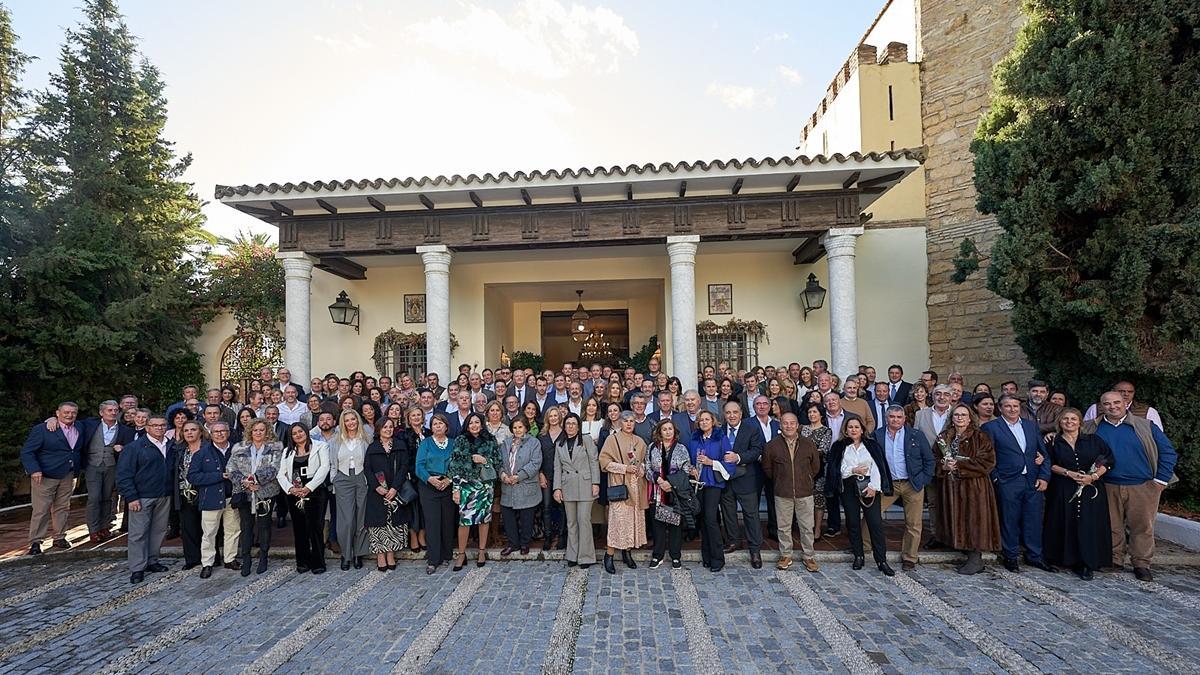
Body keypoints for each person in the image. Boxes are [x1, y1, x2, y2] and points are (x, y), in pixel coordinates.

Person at [1086, 390, 1177, 581]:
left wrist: (1161, 480)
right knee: (1112, 525)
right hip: (1108, 484)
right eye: (1107, 404)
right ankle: (1114, 559)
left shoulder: (1145, 426)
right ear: (1101, 406)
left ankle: (1141, 564)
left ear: (1125, 403)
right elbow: (1069, 435)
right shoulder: (1092, 428)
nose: (1113, 407)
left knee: (1142, 527)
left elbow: (1168, 452)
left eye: (1117, 402)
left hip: (1142, 486)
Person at [982, 395, 1053, 573]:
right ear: (1000, 408)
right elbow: (987, 457)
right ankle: (1011, 555)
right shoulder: (991, 427)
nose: (1013, 409)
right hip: (1008, 481)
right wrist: (996, 478)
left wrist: (1044, 477)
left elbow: (1043, 454)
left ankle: (1034, 555)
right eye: (1008, 406)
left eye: (1015, 406)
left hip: (1032, 479)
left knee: (1033, 520)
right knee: (1009, 519)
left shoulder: (1030, 426)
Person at [1043, 408, 1112, 580]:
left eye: (1073, 419)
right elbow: (1048, 463)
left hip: (1090, 489)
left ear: (1080, 422)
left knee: (1087, 524)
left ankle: (1086, 562)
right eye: (1065, 419)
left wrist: (1092, 477)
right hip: (1063, 487)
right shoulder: (1053, 442)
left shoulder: (1093, 440)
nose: (1069, 422)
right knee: (1064, 521)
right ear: (1059, 422)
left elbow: (1108, 460)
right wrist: (1069, 473)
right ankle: (1064, 558)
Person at [865, 406, 935, 571]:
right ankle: (864, 547)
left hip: (913, 484)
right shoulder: (877, 435)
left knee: (914, 523)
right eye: (892, 417)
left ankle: (909, 557)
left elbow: (929, 460)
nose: (895, 420)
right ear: (886, 417)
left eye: (899, 417)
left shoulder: (916, 435)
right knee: (871, 515)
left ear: (904, 419)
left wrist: (923, 480)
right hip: (888, 484)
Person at [935, 404, 1001, 574]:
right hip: (950, 486)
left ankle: (975, 558)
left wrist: (960, 465)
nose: (960, 418)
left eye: (964, 415)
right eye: (956, 415)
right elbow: (934, 458)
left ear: (970, 417)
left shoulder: (980, 437)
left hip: (974, 487)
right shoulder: (944, 436)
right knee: (957, 518)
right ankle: (963, 550)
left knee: (974, 520)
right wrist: (943, 466)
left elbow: (987, 462)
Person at [826, 417, 894, 576]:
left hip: (869, 486)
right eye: (850, 427)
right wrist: (854, 470)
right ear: (846, 429)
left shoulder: (872, 446)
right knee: (853, 522)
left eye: (857, 427)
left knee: (875, 523)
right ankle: (858, 555)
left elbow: (878, 467)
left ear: (862, 429)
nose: (854, 430)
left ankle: (881, 560)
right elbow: (839, 470)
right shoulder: (839, 447)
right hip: (848, 487)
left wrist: (874, 487)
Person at [20, 401, 84, 554]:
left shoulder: (80, 427)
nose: (70, 415)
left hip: (68, 474)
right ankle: (36, 542)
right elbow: (27, 451)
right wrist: (34, 470)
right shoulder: (42, 429)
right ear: (57, 413)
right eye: (66, 412)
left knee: (63, 507)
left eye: (73, 413)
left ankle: (60, 537)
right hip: (44, 476)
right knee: (41, 510)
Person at [117, 414, 174, 583]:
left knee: (158, 531)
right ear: (147, 428)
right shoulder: (135, 447)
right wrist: (131, 497)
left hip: (164, 495)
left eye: (163, 425)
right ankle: (137, 567)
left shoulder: (170, 445)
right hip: (141, 497)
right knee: (138, 533)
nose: (159, 428)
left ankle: (152, 560)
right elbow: (124, 474)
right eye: (155, 425)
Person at [762, 412, 822, 572]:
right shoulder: (772, 445)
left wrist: (807, 479)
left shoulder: (808, 444)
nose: (789, 426)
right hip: (782, 492)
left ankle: (809, 556)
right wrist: (781, 480)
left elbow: (815, 467)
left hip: (805, 492)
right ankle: (785, 555)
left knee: (807, 526)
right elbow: (768, 469)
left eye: (792, 423)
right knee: (783, 526)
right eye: (785, 423)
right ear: (780, 425)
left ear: (797, 425)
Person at [227, 418, 283, 576]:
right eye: (255, 430)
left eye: (261, 430)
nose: (258, 433)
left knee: (264, 526)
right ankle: (246, 560)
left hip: (265, 492)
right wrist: (245, 482)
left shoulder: (275, 449)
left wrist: (256, 480)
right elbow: (231, 469)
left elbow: (275, 468)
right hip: (244, 493)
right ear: (250, 431)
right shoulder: (239, 448)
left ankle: (263, 557)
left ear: (267, 432)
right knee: (246, 527)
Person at [448, 413, 501, 571]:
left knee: (484, 519)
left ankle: (482, 551)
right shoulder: (461, 440)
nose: (474, 425)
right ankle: (461, 553)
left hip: (485, 485)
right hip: (466, 486)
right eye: (471, 423)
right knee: (464, 521)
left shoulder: (490, 439)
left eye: (477, 422)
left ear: (482, 424)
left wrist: (484, 461)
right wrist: (456, 489)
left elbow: (498, 462)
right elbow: (454, 465)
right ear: (467, 425)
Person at [188, 422, 241, 577]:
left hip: (233, 498)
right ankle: (207, 563)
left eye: (223, 431)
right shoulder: (202, 453)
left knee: (233, 530)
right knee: (209, 533)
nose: (220, 434)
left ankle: (230, 559)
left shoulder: (237, 451)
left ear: (228, 432)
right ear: (210, 434)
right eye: (216, 431)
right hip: (211, 499)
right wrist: (219, 476)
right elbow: (193, 476)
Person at [599, 410, 649, 574]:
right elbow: (604, 462)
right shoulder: (612, 439)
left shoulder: (640, 441)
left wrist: (642, 469)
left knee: (632, 522)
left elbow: (645, 462)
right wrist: (624, 468)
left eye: (632, 421)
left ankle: (627, 553)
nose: (629, 424)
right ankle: (609, 555)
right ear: (620, 422)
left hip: (637, 486)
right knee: (617, 522)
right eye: (626, 420)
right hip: (620, 486)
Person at [277, 422, 330, 574]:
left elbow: (324, 468)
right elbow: (281, 473)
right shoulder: (287, 451)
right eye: (294, 433)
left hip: (315, 492)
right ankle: (302, 561)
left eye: (300, 431)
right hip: (294, 494)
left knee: (315, 528)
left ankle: (318, 562)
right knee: (299, 529)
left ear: (306, 432)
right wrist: (290, 488)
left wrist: (308, 487)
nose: (298, 435)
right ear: (291, 437)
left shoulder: (320, 446)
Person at [78, 400, 135, 542]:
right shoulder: (89, 424)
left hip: (112, 466)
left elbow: (131, 449)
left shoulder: (125, 430)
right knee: (94, 497)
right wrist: (52, 419)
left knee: (107, 497)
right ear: (101, 413)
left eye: (115, 410)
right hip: (93, 465)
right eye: (109, 410)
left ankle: (105, 527)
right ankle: (93, 529)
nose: (113, 412)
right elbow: (70, 422)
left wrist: (123, 449)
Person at [719, 400, 767, 568]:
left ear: (741, 413)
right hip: (725, 479)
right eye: (728, 413)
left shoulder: (751, 429)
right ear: (724, 414)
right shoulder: (719, 430)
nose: (732, 415)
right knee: (729, 513)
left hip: (746, 478)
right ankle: (734, 541)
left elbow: (756, 450)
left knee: (751, 515)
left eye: (735, 412)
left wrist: (738, 457)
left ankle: (755, 550)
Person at [364, 418, 412, 572]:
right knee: (378, 524)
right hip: (377, 492)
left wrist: (395, 488)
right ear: (379, 429)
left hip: (394, 490)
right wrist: (376, 487)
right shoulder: (372, 447)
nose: (388, 429)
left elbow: (404, 467)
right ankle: (380, 555)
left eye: (391, 427)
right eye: (385, 427)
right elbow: (367, 469)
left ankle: (390, 553)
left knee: (393, 523)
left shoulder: (400, 446)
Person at [553, 414, 600, 568]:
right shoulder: (560, 444)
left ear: (578, 426)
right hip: (568, 486)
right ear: (564, 426)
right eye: (568, 424)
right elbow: (557, 467)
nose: (571, 426)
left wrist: (595, 483)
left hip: (585, 484)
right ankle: (572, 555)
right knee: (571, 522)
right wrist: (557, 488)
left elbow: (594, 461)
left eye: (574, 424)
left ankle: (586, 556)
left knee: (584, 520)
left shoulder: (586, 440)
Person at [328, 409, 372, 571]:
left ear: (358, 420)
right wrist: (334, 481)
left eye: (353, 419)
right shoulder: (336, 440)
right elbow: (333, 463)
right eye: (347, 420)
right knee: (346, 520)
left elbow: (370, 462)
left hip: (362, 478)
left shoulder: (366, 438)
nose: (351, 422)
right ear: (342, 422)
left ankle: (358, 554)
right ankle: (346, 554)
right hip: (343, 479)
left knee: (361, 518)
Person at [647, 418, 692, 570]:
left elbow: (686, 470)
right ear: (659, 431)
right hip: (658, 491)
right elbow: (647, 467)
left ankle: (675, 556)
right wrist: (659, 480)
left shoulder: (681, 448)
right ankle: (657, 555)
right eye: (664, 429)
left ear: (675, 431)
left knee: (675, 526)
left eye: (670, 429)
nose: (667, 432)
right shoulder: (652, 448)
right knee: (658, 524)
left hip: (674, 493)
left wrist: (671, 483)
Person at [416, 414, 456, 574]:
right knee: (432, 523)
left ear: (446, 426)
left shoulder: (453, 443)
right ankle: (433, 560)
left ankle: (446, 555)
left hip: (447, 485)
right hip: (429, 486)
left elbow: (457, 464)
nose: (438, 426)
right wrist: (430, 480)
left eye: (441, 424)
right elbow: (419, 466)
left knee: (447, 521)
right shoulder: (425, 443)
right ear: (431, 427)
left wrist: (449, 479)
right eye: (434, 424)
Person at [499, 417, 542, 556]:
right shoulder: (505, 443)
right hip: (508, 485)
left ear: (526, 428)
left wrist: (519, 476)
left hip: (525, 485)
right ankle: (513, 544)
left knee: (526, 518)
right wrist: (503, 475)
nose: (517, 430)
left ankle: (525, 543)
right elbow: (499, 462)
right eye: (515, 427)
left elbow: (535, 463)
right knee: (508, 516)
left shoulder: (534, 442)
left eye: (520, 427)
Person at [172, 421, 207, 571]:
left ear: (200, 431)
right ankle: (192, 559)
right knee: (188, 526)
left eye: (193, 429)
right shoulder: (179, 450)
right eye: (186, 430)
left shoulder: (208, 448)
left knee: (207, 527)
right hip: (184, 492)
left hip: (204, 491)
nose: (189, 433)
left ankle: (209, 558)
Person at [798, 402, 833, 542]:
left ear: (821, 414)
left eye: (815, 412)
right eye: (810, 412)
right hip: (801, 470)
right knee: (803, 501)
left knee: (818, 501)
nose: (812, 415)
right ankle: (806, 528)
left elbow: (823, 450)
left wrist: (806, 454)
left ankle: (817, 529)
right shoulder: (802, 429)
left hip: (819, 470)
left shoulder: (826, 431)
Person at [400, 407, 429, 554]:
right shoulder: (403, 436)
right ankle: (413, 535)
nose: (417, 417)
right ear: (409, 419)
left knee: (424, 507)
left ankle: (422, 534)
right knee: (412, 508)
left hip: (428, 477)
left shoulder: (429, 433)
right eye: (413, 416)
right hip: (411, 477)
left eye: (419, 415)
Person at [1083, 380, 1163, 431]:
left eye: (1130, 391)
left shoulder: (1148, 411)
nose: (1126, 394)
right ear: (1113, 391)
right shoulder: (1095, 408)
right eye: (1122, 391)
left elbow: (1157, 435)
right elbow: (1085, 430)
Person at [539, 406, 566, 551]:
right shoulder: (542, 435)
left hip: (563, 476)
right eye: (551, 415)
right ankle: (548, 536)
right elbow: (538, 457)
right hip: (547, 475)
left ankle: (562, 536)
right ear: (547, 418)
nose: (554, 418)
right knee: (547, 507)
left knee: (562, 507)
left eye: (556, 415)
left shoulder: (566, 434)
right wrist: (540, 474)